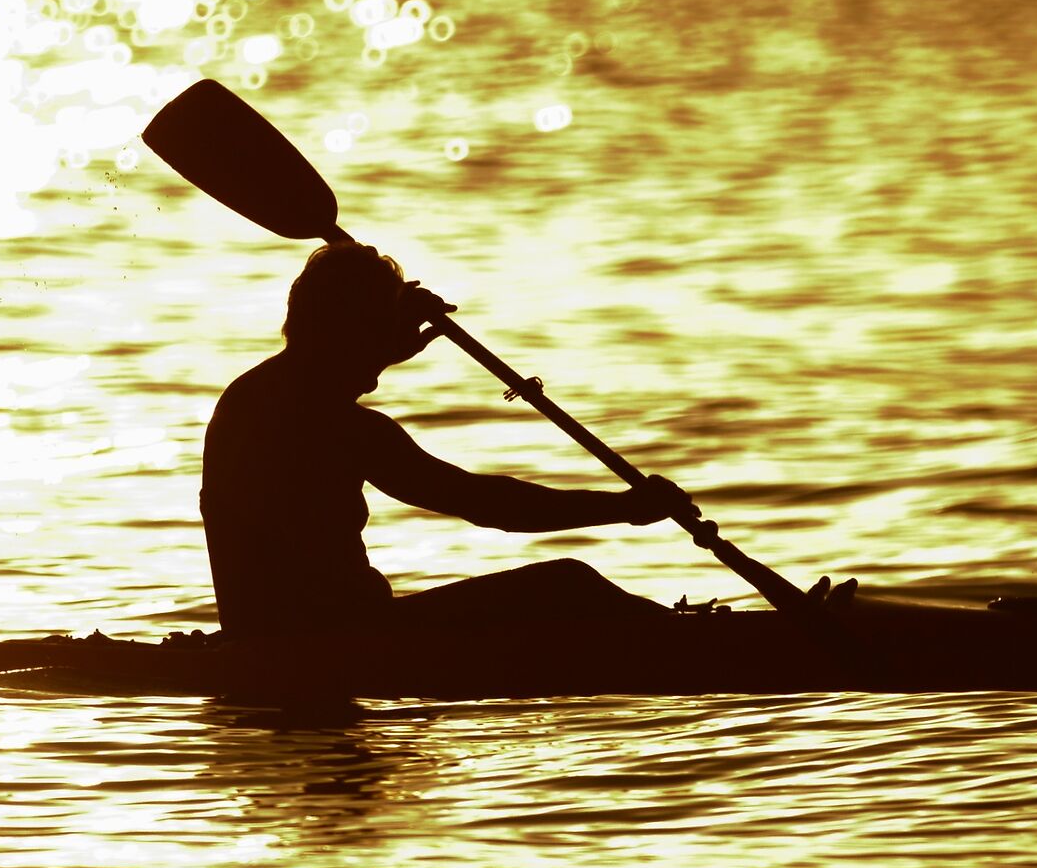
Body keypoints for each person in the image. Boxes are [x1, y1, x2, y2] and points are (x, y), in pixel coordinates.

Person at [202, 242, 701, 639]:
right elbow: (486, 504)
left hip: (280, 634)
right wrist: (626, 507)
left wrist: (383, 344)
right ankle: (697, 645)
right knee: (569, 584)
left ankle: (682, 635)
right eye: (379, 331)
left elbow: (339, 356)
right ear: (350, 330)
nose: (388, 353)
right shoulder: (336, 423)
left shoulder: (253, 395)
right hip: (329, 641)